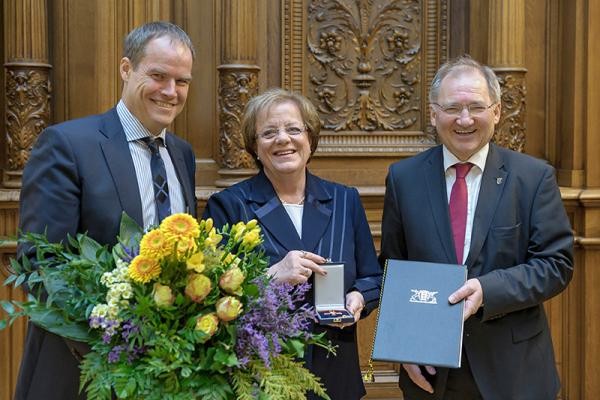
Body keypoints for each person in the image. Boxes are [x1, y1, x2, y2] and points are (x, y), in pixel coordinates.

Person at [15, 21, 197, 400]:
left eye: (182, 82)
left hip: (167, 371)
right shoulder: (67, 144)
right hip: (82, 369)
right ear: (126, 69)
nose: (170, 91)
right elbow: (42, 263)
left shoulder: (182, 154)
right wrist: (118, 334)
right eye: (158, 75)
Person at [379, 55, 574, 400]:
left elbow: (556, 265)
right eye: (453, 107)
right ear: (434, 113)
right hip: (431, 373)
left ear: (496, 112)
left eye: (476, 107)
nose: (465, 119)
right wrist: (402, 347)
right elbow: (395, 269)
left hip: (515, 371)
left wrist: (488, 289)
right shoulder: (403, 178)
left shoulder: (533, 177)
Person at [203, 88, 382, 399]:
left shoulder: (345, 199)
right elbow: (214, 297)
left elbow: (372, 278)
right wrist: (272, 276)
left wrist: (358, 299)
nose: (283, 139)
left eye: (293, 129)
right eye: (269, 132)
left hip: (334, 376)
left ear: (309, 139)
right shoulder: (229, 206)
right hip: (262, 377)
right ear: (255, 146)